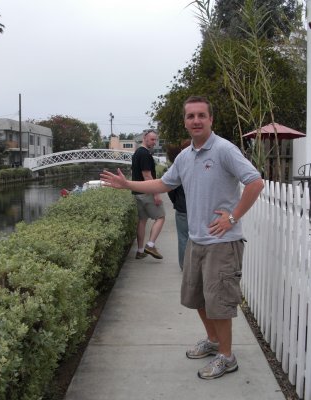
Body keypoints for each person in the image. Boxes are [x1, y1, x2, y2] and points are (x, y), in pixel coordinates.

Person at [101, 96, 264, 380]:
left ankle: (227, 356)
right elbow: (164, 183)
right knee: (198, 298)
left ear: (210, 119)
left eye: (202, 115)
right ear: (185, 122)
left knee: (219, 303)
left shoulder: (224, 150)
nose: (196, 120)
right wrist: (127, 184)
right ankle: (213, 342)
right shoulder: (186, 157)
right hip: (197, 240)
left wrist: (233, 217)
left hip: (222, 243)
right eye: (191, 116)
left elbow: (255, 181)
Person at [132, 130, 165, 260]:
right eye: (152, 139)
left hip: (137, 192)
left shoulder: (136, 153)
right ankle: (150, 245)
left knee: (142, 220)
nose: (154, 142)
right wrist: (156, 193)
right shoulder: (145, 154)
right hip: (146, 192)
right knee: (161, 217)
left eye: (155, 140)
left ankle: (140, 251)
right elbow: (147, 175)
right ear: (145, 138)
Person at [167, 141, 190, 271]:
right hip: (197, 209)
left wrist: (176, 201)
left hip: (182, 208)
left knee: (183, 238)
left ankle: (184, 265)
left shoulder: (178, 166)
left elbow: (169, 188)